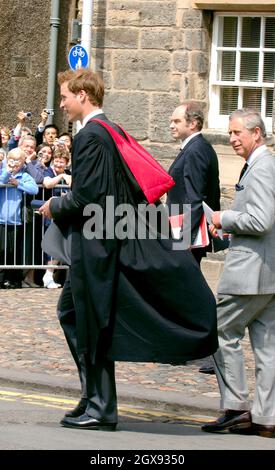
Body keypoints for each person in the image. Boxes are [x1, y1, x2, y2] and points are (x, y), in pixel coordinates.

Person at [39, 68, 218, 431]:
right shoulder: (110, 130)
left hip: (97, 246)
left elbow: (89, 197)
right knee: (74, 315)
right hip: (105, 239)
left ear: (83, 96)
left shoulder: (91, 135)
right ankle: (93, 396)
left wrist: (53, 206)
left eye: (64, 96)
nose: (61, 103)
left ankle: (101, 406)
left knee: (89, 322)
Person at [201, 108, 275, 439]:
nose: (231, 139)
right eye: (229, 133)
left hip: (249, 273)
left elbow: (260, 221)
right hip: (266, 273)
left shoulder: (261, 168)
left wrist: (223, 218)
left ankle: (235, 407)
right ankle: (266, 417)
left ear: (256, 133)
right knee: (267, 347)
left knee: (218, 331)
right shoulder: (264, 165)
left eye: (237, 133)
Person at [167, 101, 221, 375]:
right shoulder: (193, 148)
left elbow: (194, 198)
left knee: (194, 291)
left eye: (177, 121)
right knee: (187, 290)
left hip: (189, 232)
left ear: (193, 123)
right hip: (183, 229)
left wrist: (184, 239)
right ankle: (192, 348)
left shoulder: (197, 149)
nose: (171, 125)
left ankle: (210, 352)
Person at [0, 148, 38, 288]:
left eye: (18, 160)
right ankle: (1, 278)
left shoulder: (25, 176)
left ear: (23, 162)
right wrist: (7, 170)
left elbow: (34, 189)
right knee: (1, 250)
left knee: (13, 252)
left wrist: (18, 184)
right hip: (1, 218)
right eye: (12, 159)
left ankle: (12, 280)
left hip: (15, 220)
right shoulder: (3, 172)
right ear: (7, 160)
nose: (15, 162)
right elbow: (1, 180)